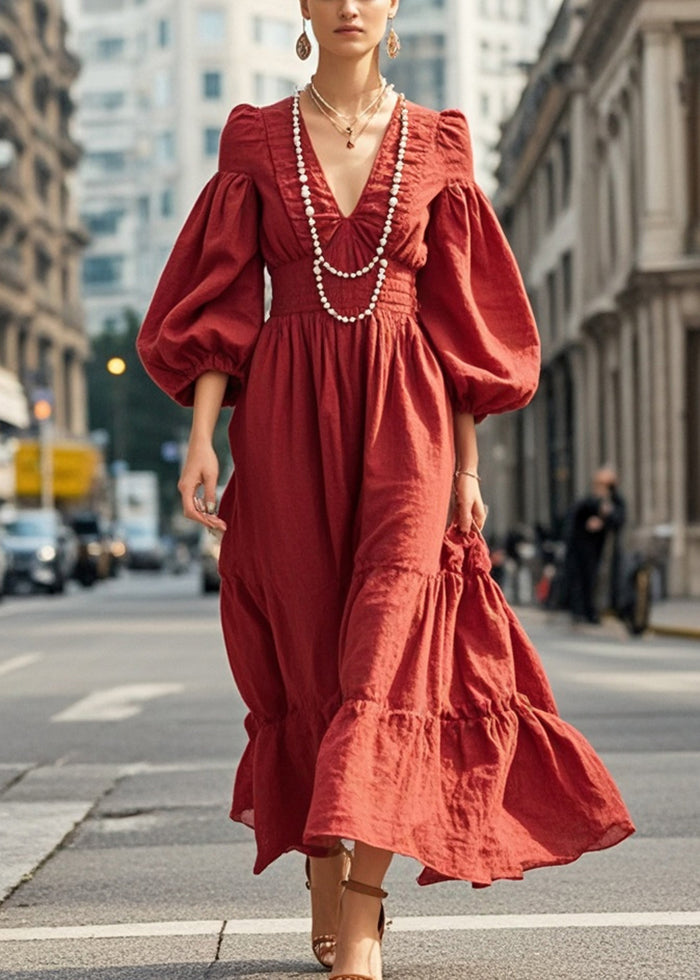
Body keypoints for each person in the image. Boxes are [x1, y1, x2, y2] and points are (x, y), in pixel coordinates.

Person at [137, 3, 634, 978]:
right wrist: (201, 437)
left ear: (393, 7)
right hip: (282, 416)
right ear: (307, 8)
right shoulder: (252, 136)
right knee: (311, 651)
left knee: (389, 649)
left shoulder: (441, 141)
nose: (353, 1)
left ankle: (358, 910)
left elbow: (459, 319)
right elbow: (226, 291)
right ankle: (329, 885)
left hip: (407, 415)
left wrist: (469, 464)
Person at [564, 467, 626, 625]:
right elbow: (575, 519)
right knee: (586, 580)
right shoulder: (587, 502)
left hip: (606, 550)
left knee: (604, 581)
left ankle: (610, 608)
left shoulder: (616, 502)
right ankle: (585, 611)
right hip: (586, 549)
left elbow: (619, 520)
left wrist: (605, 520)